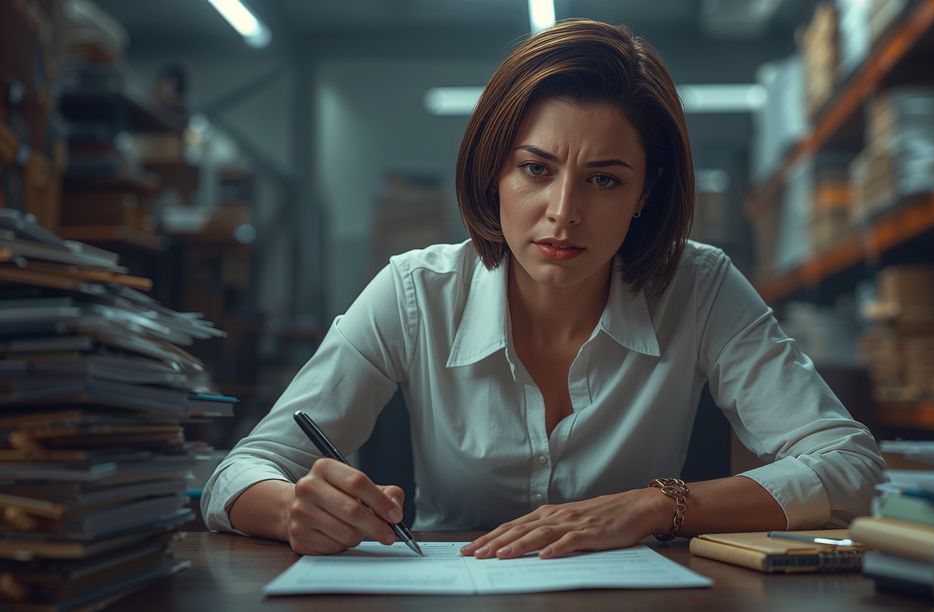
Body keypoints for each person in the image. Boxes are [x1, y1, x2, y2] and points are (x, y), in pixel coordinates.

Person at [202, 18, 885, 560]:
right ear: (493, 173)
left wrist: (658, 505)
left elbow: (851, 467)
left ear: (646, 194)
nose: (564, 212)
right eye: (536, 169)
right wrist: (294, 508)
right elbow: (240, 472)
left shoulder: (699, 286)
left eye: (605, 179)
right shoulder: (415, 292)